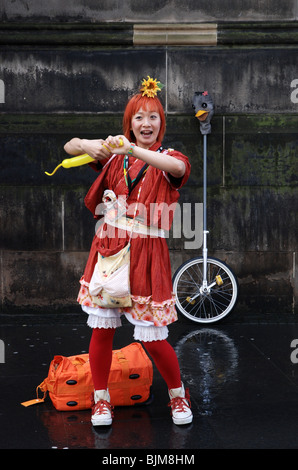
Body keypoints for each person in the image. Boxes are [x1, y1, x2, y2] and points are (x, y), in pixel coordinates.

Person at [64, 76, 193, 426]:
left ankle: (178, 397)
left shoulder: (166, 157)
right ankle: (100, 401)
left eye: (153, 117)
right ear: (129, 122)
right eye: (139, 117)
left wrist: (131, 150)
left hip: (147, 255)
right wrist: (90, 144)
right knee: (102, 330)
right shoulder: (114, 158)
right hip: (108, 249)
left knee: (153, 338)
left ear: (160, 124)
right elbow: (69, 147)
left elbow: (179, 169)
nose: (146, 123)